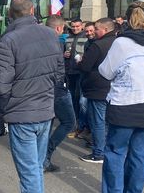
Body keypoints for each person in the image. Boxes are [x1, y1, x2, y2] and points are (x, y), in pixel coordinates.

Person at [0, 0, 64, 193]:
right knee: (36, 167)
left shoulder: (8, 40)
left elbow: (1, 85)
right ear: (33, 9)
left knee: (29, 171)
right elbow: (59, 74)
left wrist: (5, 106)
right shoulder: (50, 34)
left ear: (10, 13)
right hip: (45, 110)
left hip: (23, 113)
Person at [91, 2, 144, 193]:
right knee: (141, 155)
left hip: (126, 103)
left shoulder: (122, 43)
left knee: (116, 151)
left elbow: (106, 72)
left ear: (125, 20)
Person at [78, 18, 117, 164]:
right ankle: (106, 149)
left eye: (97, 29)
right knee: (107, 121)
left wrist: (79, 61)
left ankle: (98, 153)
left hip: (98, 88)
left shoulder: (98, 45)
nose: (94, 31)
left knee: (98, 122)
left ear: (105, 30)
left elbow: (85, 67)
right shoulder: (119, 43)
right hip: (114, 88)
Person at [42, 15, 76, 173]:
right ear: (58, 28)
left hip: (42, 87)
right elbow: (59, 70)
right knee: (69, 122)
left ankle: (42, 157)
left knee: (48, 123)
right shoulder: (57, 43)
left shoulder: (39, 41)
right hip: (57, 88)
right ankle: (46, 154)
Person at [64, 18, 86, 119]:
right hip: (70, 72)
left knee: (79, 98)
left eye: (77, 26)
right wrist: (64, 54)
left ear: (82, 26)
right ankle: (75, 120)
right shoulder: (68, 37)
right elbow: (64, 52)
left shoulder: (86, 37)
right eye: (73, 26)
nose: (75, 28)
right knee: (72, 97)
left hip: (80, 72)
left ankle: (81, 123)